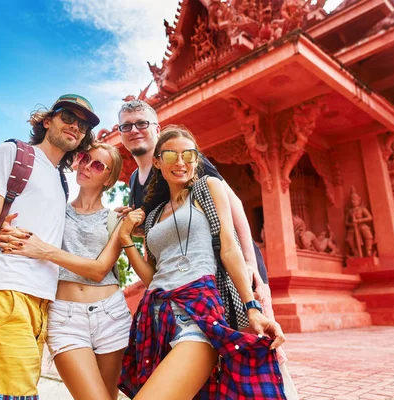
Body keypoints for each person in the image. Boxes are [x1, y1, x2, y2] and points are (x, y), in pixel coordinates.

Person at [113, 100, 297, 398]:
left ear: (156, 129)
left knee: (260, 368)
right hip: (155, 312)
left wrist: (251, 271)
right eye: (126, 126)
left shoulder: (202, 182)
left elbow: (232, 212)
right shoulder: (140, 186)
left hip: (205, 296)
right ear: (159, 160)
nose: (135, 130)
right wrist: (126, 236)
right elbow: (154, 263)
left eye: (142, 123)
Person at [0, 94, 98, 399]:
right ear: (48, 120)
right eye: (68, 117)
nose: (76, 126)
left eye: (83, 124)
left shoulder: (63, 183)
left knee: (5, 392)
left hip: (43, 301)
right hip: (7, 291)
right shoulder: (14, 153)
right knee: (12, 394)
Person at [0, 142, 131, 400]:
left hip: (111, 315)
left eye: (98, 165)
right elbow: (21, 230)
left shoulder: (115, 220)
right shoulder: (55, 211)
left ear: (108, 180)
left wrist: (46, 251)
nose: (86, 166)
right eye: (84, 157)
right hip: (65, 319)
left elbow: (99, 270)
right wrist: (1, 225)